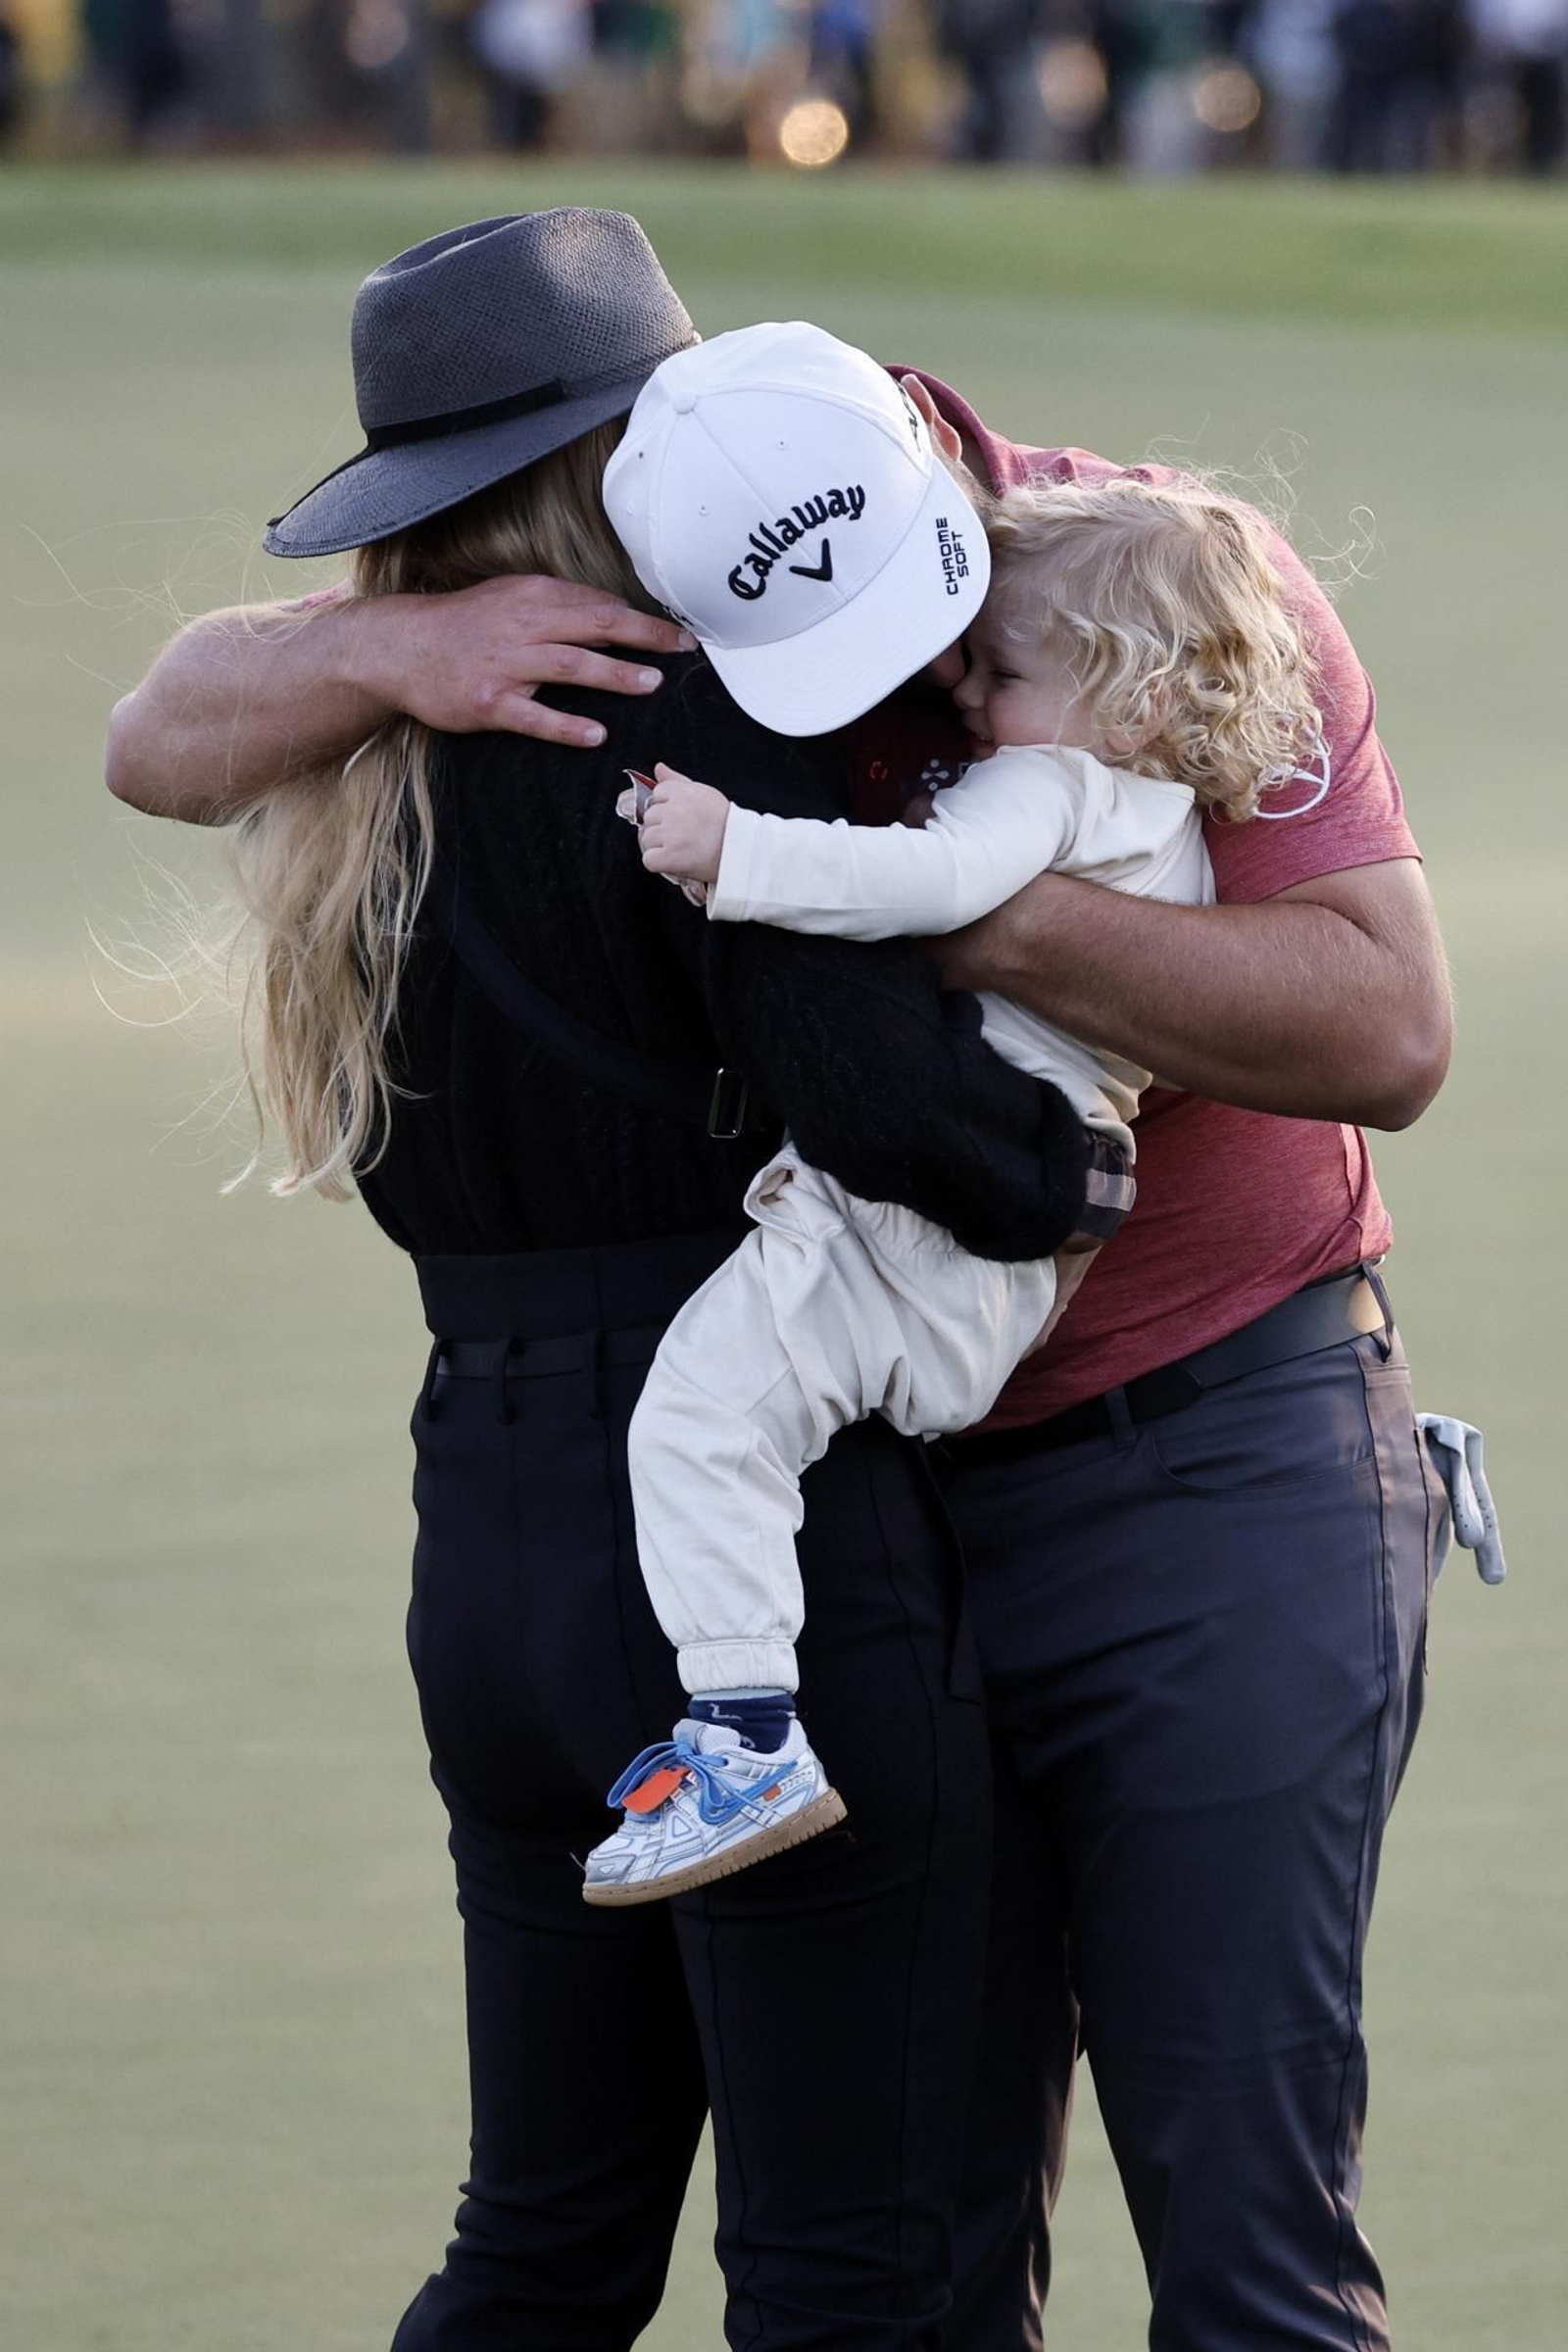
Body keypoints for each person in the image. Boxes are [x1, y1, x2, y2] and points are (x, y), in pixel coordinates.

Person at [107, 208, 1453, 2352]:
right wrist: (382, 654)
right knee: (897, 2272)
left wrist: (940, 906)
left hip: (1198, 1457)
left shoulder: (1148, 585)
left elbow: (1381, 1035)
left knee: (1237, 2267)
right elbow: (158, 730)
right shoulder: (621, 672)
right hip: (859, 1514)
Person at [577, 322, 1320, 1906]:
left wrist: (734, 848)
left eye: (1002, 668)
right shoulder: (1155, 790)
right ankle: (741, 1720)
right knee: (730, 1414)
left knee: (703, 1415)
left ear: (1112, 687)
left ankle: (744, 1735)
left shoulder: (1051, 787)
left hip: (955, 1225)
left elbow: (926, 884)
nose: (966, 696)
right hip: (995, 1235)